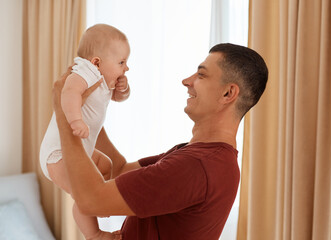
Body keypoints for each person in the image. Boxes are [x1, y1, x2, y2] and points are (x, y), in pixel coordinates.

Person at [52, 43, 268, 240]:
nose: (187, 81)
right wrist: (86, 111)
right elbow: (118, 170)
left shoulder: (196, 166)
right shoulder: (200, 156)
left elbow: (91, 201)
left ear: (228, 93)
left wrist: (64, 113)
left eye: (201, 75)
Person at [40, 24, 131, 240]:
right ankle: (94, 234)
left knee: (106, 165)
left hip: (80, 149)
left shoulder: (105, 80)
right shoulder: (84, 71)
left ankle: (98, 204)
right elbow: (68, 92)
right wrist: (75, 120)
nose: (126, 68)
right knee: (84, 195)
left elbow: (118, 98)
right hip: (58, 154)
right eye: (121, 62)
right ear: (97, 62)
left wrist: (123, 90)